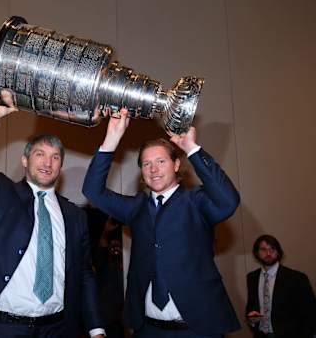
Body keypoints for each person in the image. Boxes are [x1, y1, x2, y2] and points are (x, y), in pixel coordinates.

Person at [0, 94, 104, 337]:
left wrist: (97, 328)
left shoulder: (75, 216)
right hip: (1, 328)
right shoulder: (1, 194)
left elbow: (85, 275)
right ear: (25, 160)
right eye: (40, 154)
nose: (48, 162)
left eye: (55, 157)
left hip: (56, 329)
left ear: (60, 166)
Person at [83, 109, 241, 337]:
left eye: (160, 161)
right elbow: (92, 190)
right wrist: (112, 138)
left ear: (176, 165)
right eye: (146, 164)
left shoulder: (196, 201)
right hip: (147, 329)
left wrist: (191, 149)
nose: (153, 169)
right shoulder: (136, 207)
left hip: (197, 329)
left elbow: (229, 201)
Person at [246, 234, 316, 338]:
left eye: (272, 249)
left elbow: (310, 311)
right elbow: (251, 306)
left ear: (278, 252)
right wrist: (251, 319)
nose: (268, 253)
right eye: (263, 249)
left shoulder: (297, 278)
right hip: (260, 335)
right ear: (257, 253)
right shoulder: (252, 277)